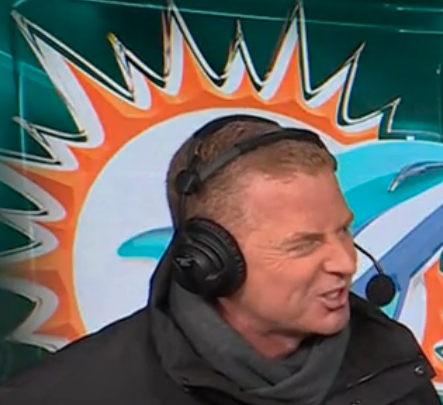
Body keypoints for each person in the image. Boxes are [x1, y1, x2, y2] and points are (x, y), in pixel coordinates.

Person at [0, 114, 440, 405]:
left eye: (343, 230)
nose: (345, 261)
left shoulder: (392, 367)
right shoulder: (70, 395)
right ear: (210, 260)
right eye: (304, 244)